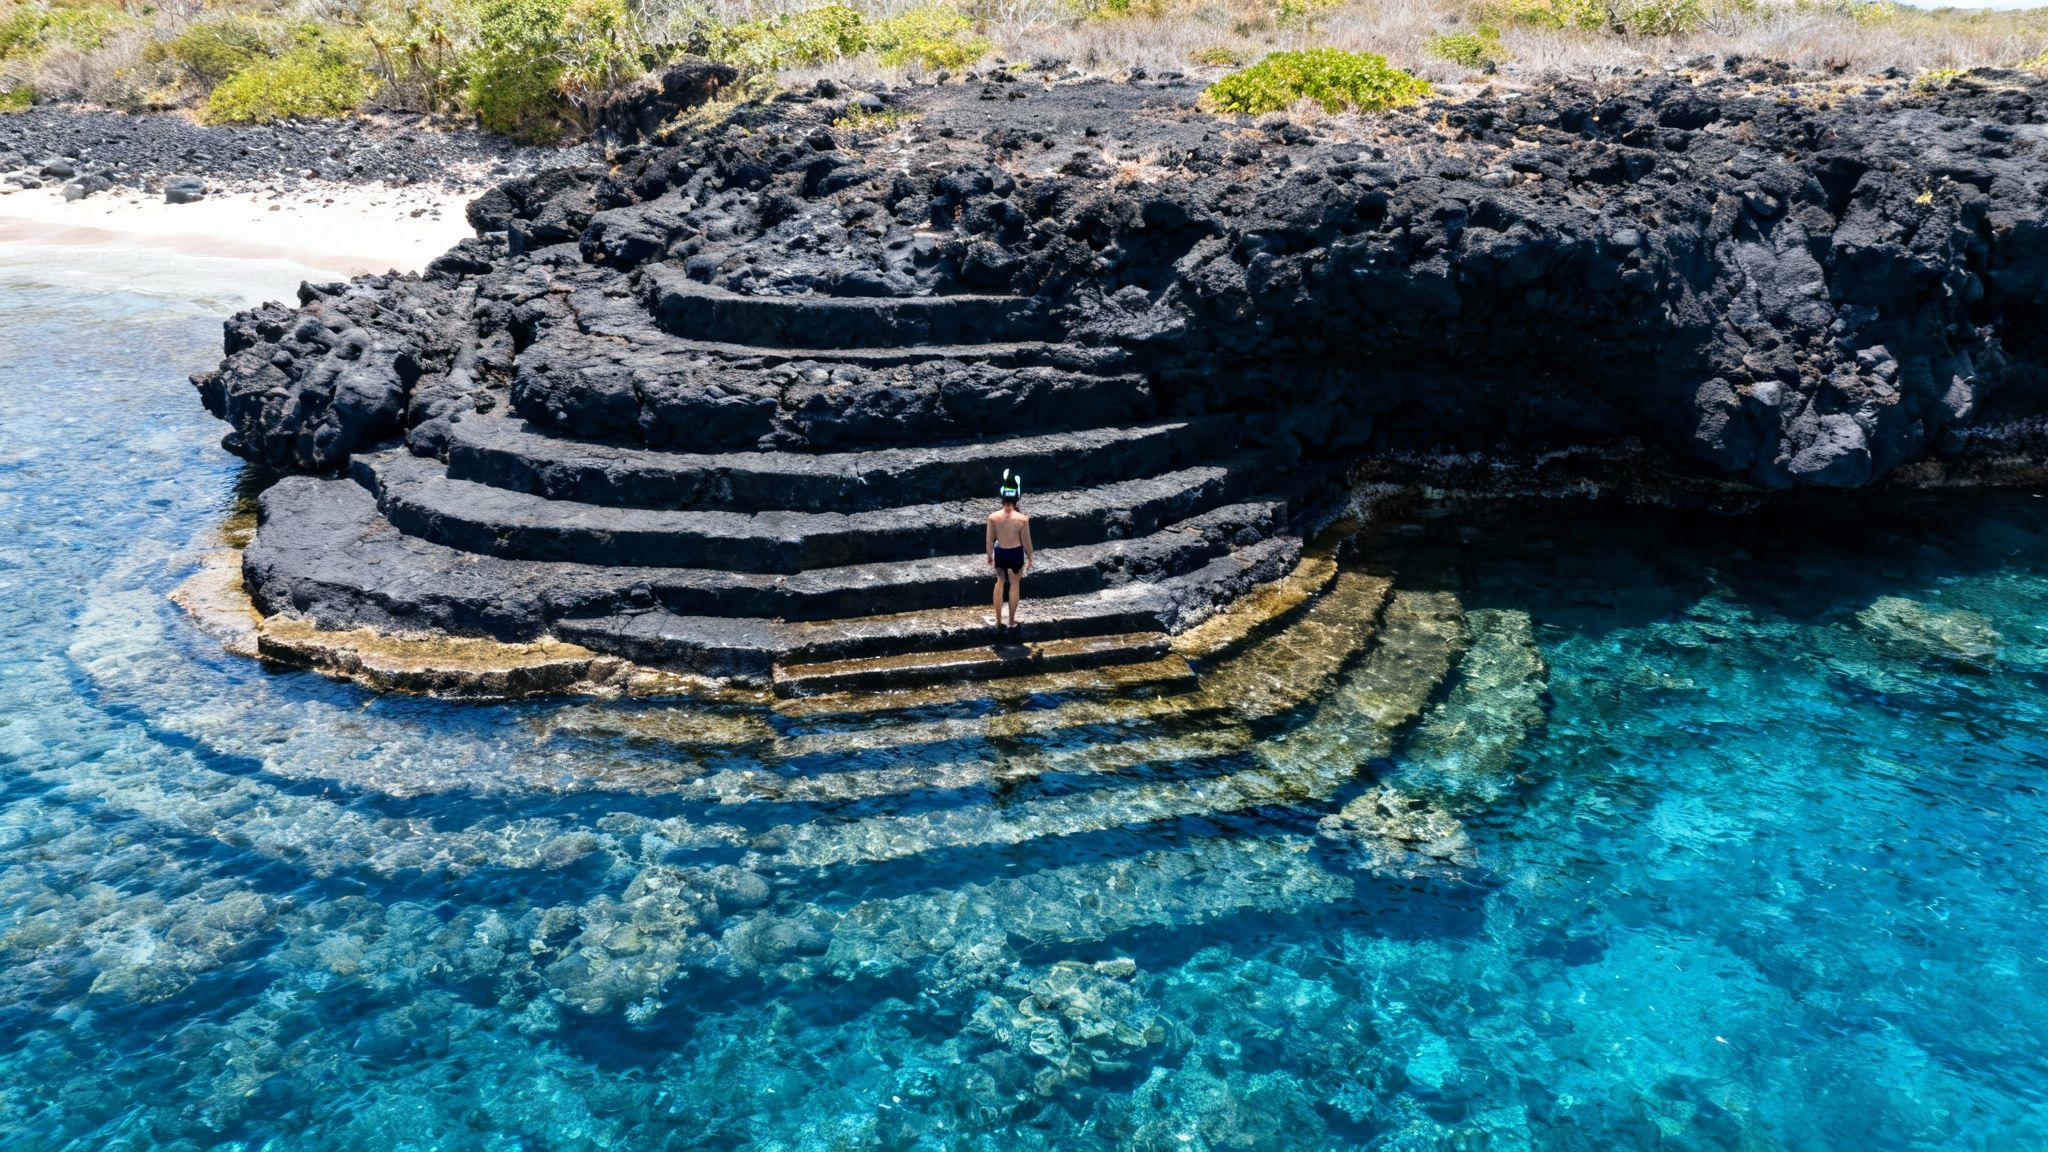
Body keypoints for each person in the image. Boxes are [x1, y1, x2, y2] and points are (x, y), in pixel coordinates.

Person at [985, 470, 1033, 628]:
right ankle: (1011, 619)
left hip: (1001, 552)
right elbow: (1026, 542)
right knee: (1014, 584)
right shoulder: (1023, 519)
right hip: (1015, 553)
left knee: (1000, 582)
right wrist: (1030, 558)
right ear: (1016, 498)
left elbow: (989, 539)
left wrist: (989, 555)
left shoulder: (993, 517)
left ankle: (999, 620)